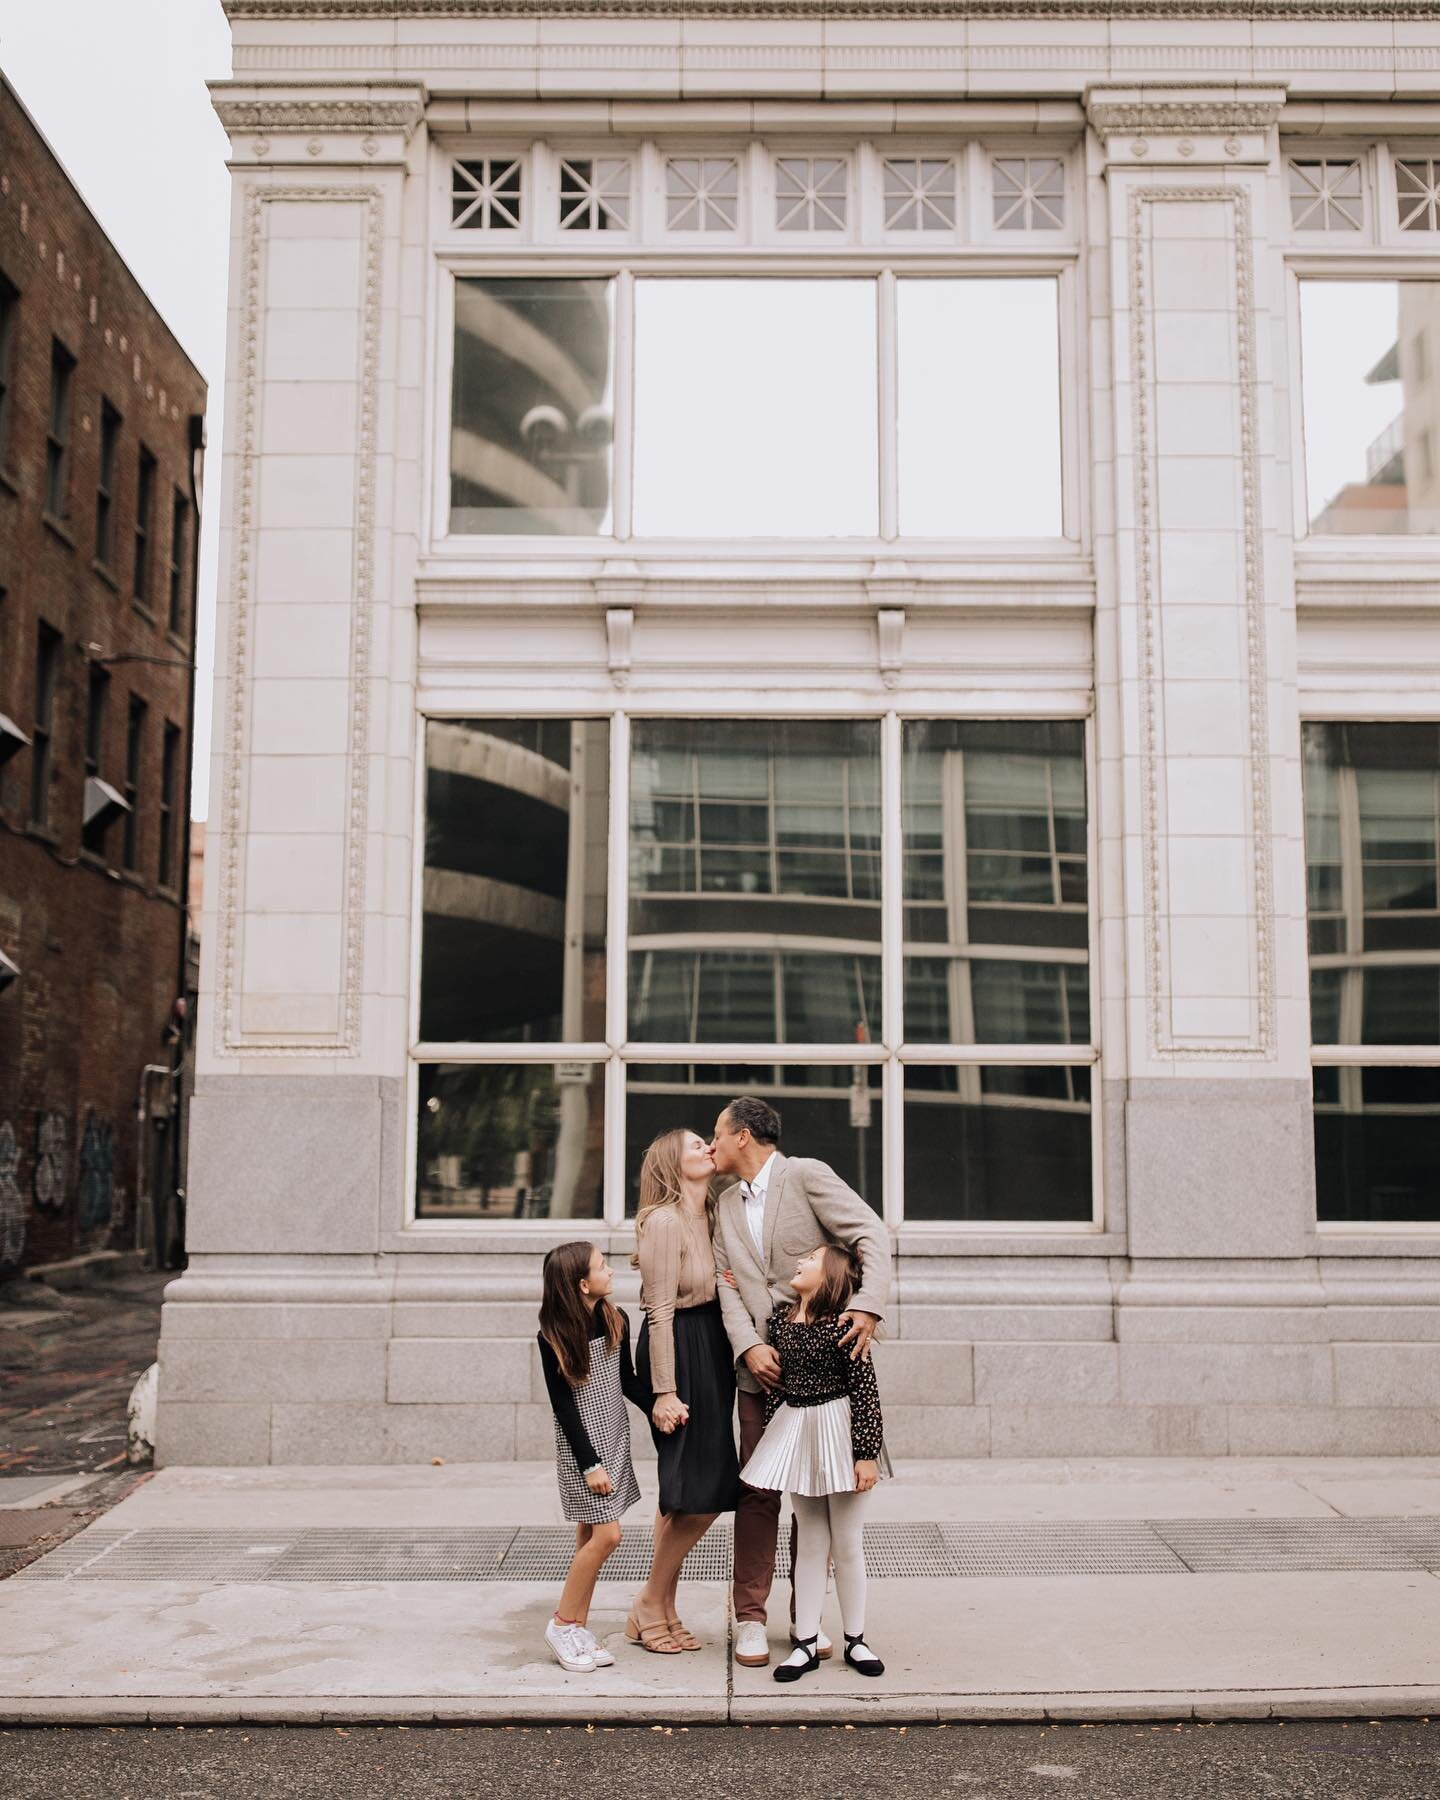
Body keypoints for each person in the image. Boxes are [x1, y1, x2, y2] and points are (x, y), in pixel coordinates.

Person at [711, 1095, 891, 1670]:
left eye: (717, 1134)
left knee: (817, 1499)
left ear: (743, 1136)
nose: (711, 1145)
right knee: (758, 1496)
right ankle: (750, 1619)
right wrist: (750, 1345)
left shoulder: (806, 1175)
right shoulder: (723, 1204)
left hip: (826, 1374)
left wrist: (866, 1307)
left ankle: (806, 1625)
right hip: (757, 1374)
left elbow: (870, 1233)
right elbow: (728, 1286)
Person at [741, 1243, 888, 1681]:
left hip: (840, 1433)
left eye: (810, 1260)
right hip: (798, 1433)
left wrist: (866, 1455)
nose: (800, 1262)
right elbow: (778, 1388)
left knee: (846, 1543)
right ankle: (805, 1640)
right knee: (810, 1541)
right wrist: (775, 1443)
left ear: (829, 1278)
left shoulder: (845, 1326)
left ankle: (856, 1639)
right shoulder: (780, 1324)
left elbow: (865, 1393)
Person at [628, 1128, 740, 1654]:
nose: (707, 1148)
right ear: (674, 1164)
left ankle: (661, 1607)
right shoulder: (665, 1221)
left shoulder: (714, 1214)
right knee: (696, 1490)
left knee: (693, 1490)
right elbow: (659, 1312)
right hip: (677, 1346)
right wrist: (664, 1392)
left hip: (711, 1346)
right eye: (696, 1145)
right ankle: (651, 1602)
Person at [536, 1240, 651, 1675]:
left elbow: (627, 1381)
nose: (611, 1271)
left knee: (589, 1537)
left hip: (614, 1436)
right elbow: (563, 1408)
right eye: (603, 1267)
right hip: (584, 1450)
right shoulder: (553, 1337)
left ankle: (578, 1626)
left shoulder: (615, 1318)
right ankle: (562, 1623)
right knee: (608, 1537)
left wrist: (662, 1406)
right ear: (583, 1284)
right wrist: (590, 1464)